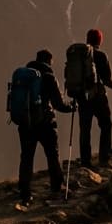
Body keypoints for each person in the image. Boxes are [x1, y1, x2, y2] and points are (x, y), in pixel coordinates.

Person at [14, 50, 76, 207]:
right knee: (52, 155)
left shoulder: (24, 76)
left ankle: (25, 193)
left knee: (26, 157)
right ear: (49, 60)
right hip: (45, 124)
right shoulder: (49, 77)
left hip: (25, 123)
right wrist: (72, 107)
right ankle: (56, 188)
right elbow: (58, 104)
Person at [75, 28, 112, 169]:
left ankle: (85, 161)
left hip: (82, 97)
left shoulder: (79, 56)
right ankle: (104, 158)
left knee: (85, 129)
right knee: (106, 125)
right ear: (99, 40)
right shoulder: (101, 56)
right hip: (98, 97)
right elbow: (107, 80)